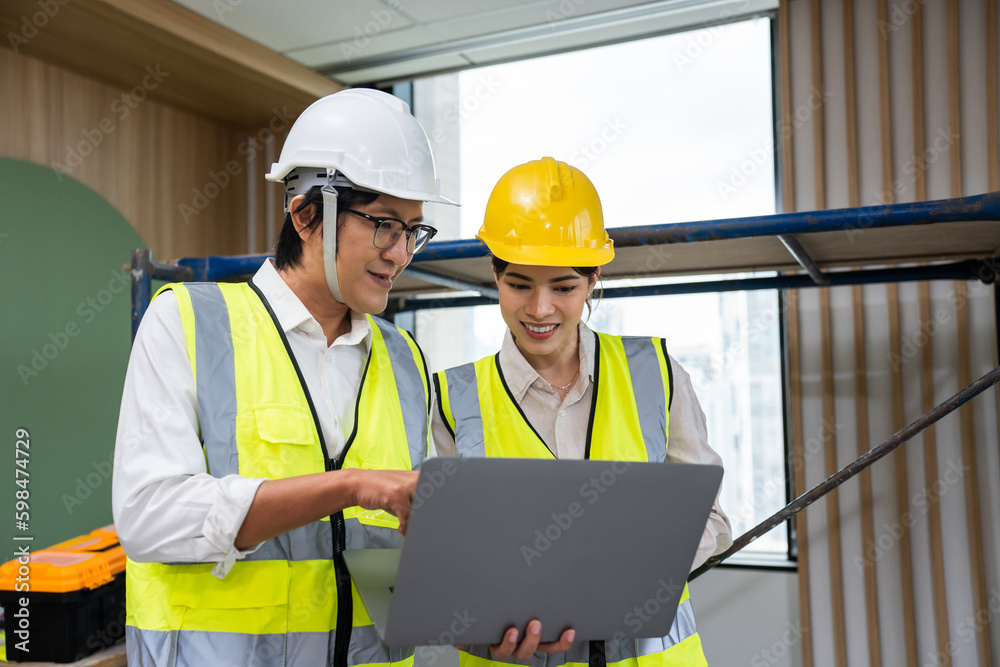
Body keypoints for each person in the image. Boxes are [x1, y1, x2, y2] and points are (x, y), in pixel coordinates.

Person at [113, 88, 458, 667]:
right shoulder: (189, 323)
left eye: (413, 232)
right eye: (383, 226)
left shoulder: (405, 360)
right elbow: (152, 517)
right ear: (304, 214)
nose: (400, 254)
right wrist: (350, 487)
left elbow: (412, 551)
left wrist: (487, 619)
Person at [432, 157, 732, 667]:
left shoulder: (657, 375)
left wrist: (635, 568)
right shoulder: (449, 399)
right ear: (495, 275)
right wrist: (470, 618)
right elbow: (440, 551)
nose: (540, 308)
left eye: (564, 287)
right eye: (519, 284)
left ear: (594, 279)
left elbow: (711, 520)